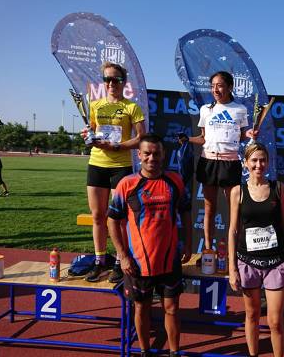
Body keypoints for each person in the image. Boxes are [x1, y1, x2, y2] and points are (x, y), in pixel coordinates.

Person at [108, 134, 192, 357]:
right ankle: (145, 351)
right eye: (147, 153)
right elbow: (112, 221)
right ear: (139, 155)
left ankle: (175, 352)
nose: (152, 157)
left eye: (156, 153)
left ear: (163, 154)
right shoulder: (126, 184)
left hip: (169, 260)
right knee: (141, 308)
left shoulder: (175, 180)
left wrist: (189, 243)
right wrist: (122, 256)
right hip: (138, 263)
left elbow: (185, 210)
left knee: (172, 309)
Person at [83, 61, 146, 283]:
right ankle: (100, 261)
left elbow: (141, 138)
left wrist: (119, 146)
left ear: (123, 82)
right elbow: (92, 132)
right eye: (107, 79)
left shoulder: (131, 107)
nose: (111, 83)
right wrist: (88, 136)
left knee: (119, 218)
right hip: (97, 164)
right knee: (98, 216)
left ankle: (121, 260)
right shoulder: (95, 105)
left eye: (115, 79)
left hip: (120, 166)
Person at [228, 142, 284, 357]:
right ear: (246, 163)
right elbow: (233, 231)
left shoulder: (278, 188)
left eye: (262, 160)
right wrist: (232, 268)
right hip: (247, 262)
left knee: (275, 321)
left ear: (268, 162)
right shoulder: (238, 192)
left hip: (276, 262)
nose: (259, 164)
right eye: (254, 160)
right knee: (252, 315)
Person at [182, 71, 256, 252]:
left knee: (233, 210)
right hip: (208, 162)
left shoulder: (240, 109)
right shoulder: (206, 109)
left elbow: (243, 135)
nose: (215, 89)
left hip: (230, 163)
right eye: (212, 86)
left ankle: (235, 251)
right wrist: (188, 139)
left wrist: (250, 134)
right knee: (209, 208)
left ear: (230, 87)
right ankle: (208, 250)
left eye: (220, 85)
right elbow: (203, 138)